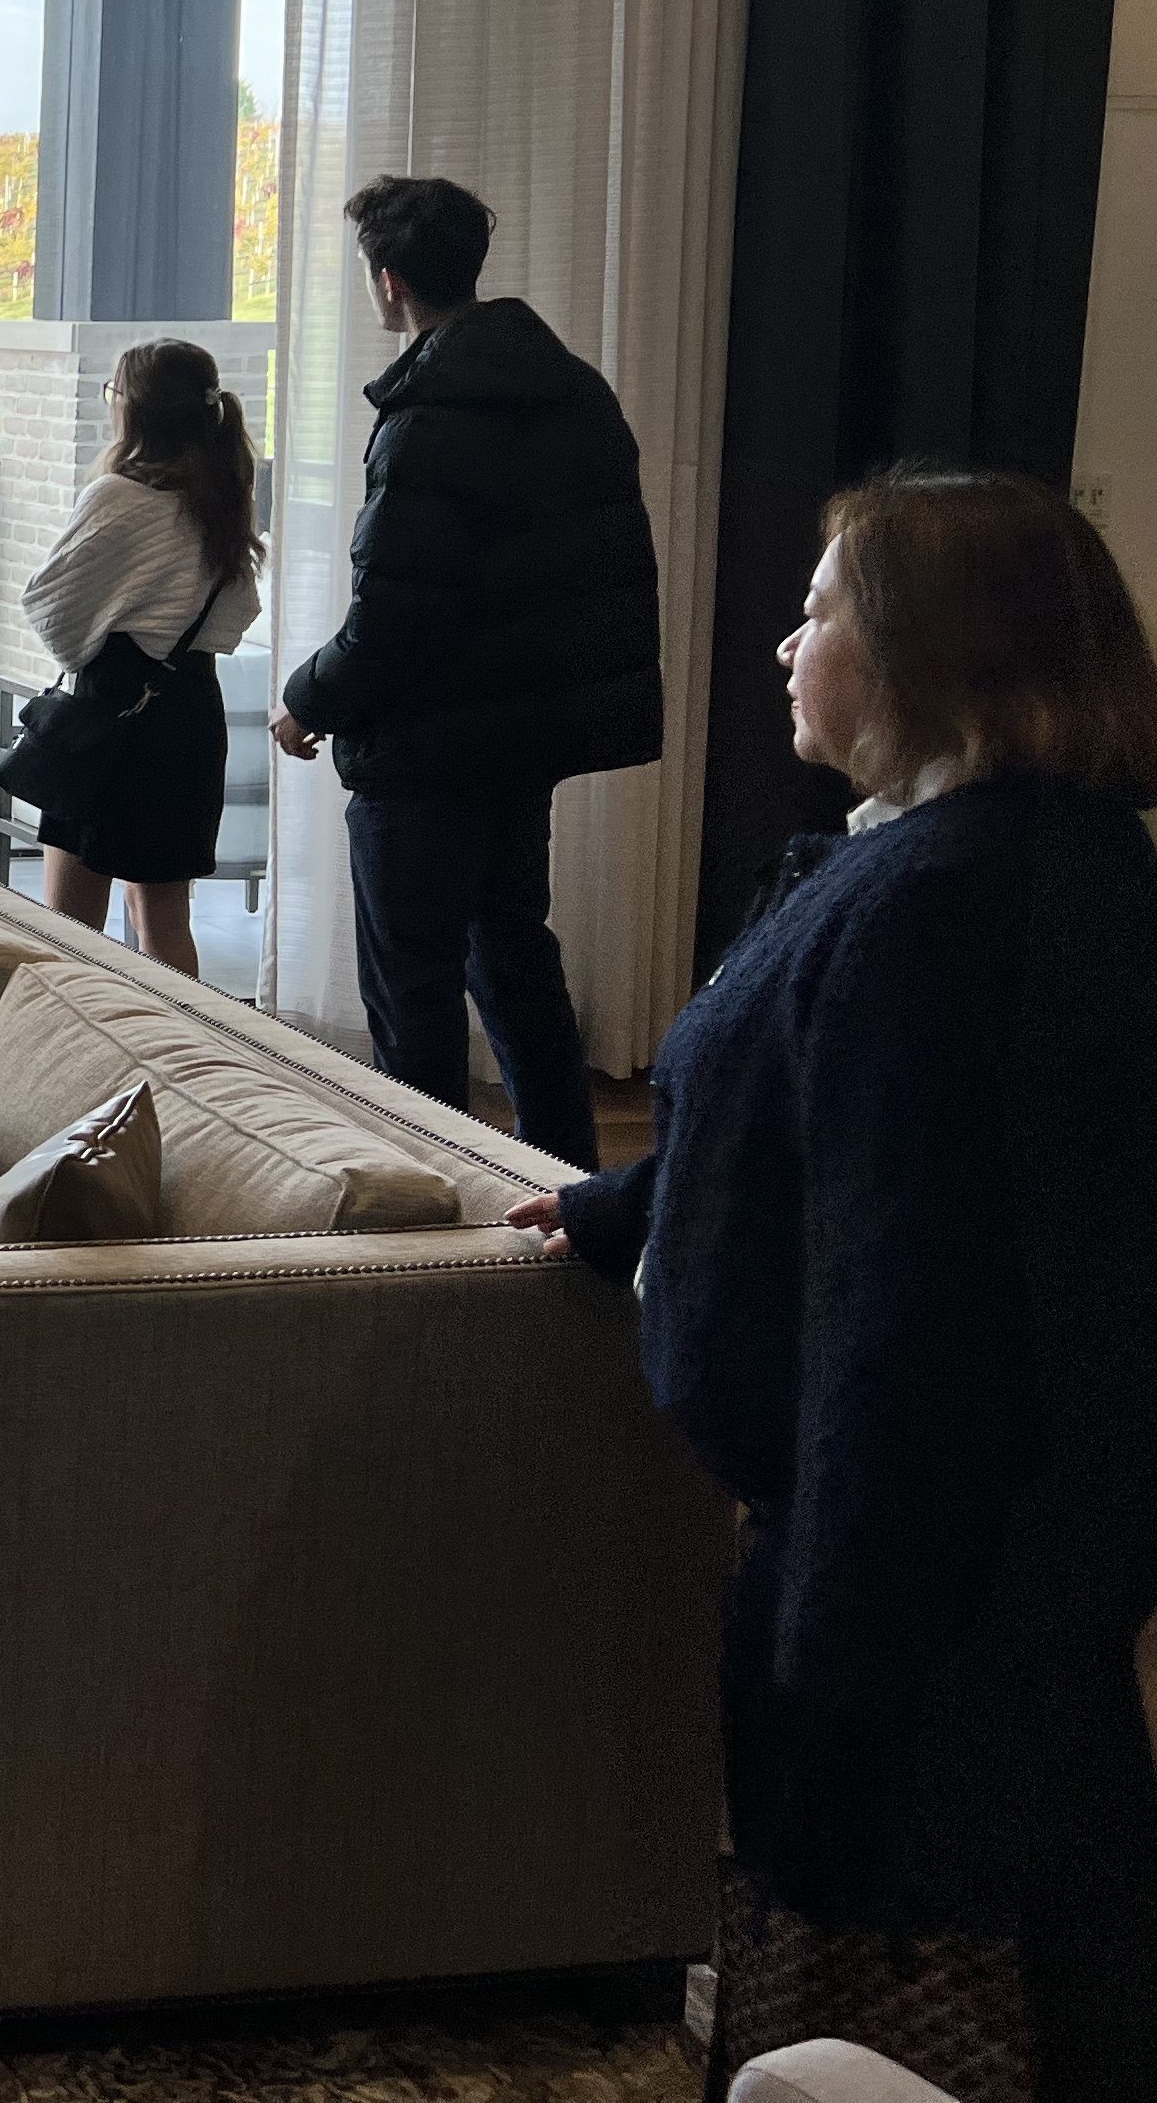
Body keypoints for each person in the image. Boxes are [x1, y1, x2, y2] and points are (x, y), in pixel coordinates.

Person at [512, 467, 1157, 2100]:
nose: (788, 645)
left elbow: (911, 1300)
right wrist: (617, 1211)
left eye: (818, 614)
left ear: (925, 655)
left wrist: (833, 1652)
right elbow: (800, 1134)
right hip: (948, 1582)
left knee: (926, 2004)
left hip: (917, 1612)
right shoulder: (969, 861)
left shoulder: (943, 907)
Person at [268, 174, 657, 1168]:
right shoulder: (574, 391)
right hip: (522, 740)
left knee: (414, 997)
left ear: (389, 283)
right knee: (516, 957)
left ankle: (432, 1196)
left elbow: (395, 613)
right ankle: (563, 1179)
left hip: (425, 753)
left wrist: (307, 699)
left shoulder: (430, 414)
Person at [17, 339, 262, 978]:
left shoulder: (117, 497)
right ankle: (179, 1034)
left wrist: (101, 643)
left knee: (70, 928)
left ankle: (75, 1037)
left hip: (109, 716)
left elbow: (51, 608)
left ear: (134, 410)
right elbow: (236, 615)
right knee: (164, 920)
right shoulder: (223, 499)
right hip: (189, 717)